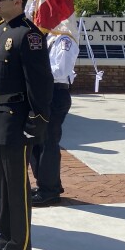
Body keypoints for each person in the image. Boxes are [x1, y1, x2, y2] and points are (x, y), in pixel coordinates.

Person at [0, 0, 53, 250]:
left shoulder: (29, 35)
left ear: (18, 2)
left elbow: (40, 84)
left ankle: (20, 245)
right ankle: (4, 237)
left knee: (16, 185)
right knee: (0, 183)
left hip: (16, 118)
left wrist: (37, 119)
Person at [30, 33, 79, 207]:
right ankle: (47, 183)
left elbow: (61, 71)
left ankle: (49, 191)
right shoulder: (47, 37)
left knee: (48, 142)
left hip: (56, 93)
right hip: (43, 93)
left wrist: (35, 70)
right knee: (36, 140)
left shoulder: (64, 40)